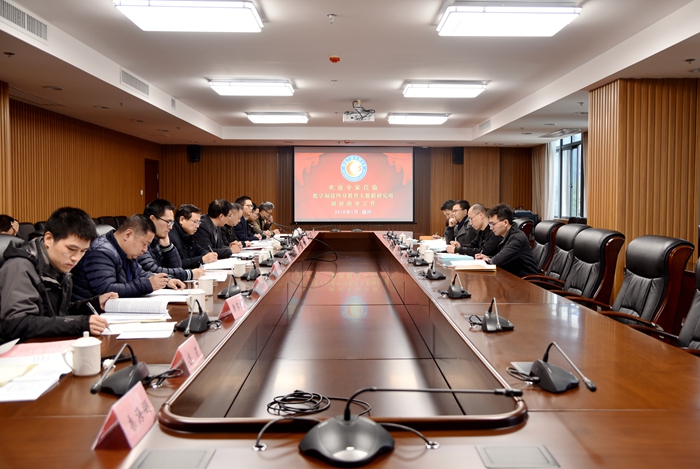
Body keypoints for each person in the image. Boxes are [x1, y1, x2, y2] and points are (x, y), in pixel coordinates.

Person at [0, 207, 115, 341]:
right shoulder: (19, 267)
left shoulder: (59, 267)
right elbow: (16, 324)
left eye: (83, 251)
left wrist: (94, 303)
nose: (76, 258)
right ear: (48, 239)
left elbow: (58, 314)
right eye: (71, 249)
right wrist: (79, 324)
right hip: (19, 349)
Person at [72, 214, 180, 299]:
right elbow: (107, 290)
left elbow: (140, 274)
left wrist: (165, 281)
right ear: (128, 235)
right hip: (90, 314)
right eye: (144, 244)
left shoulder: (127, 252)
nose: (145, 249)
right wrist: (147, 285)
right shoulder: (101, 252)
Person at [138, 199, 201, 283]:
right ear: (152, 219)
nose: (170, 227)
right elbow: (152, 270)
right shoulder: (139, 239)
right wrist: (187, 274)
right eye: (168, 222)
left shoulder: (158, 240)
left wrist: (168, 247)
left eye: (172, 223)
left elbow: (176, 267)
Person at [476, 203, 539, 277]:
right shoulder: (507, 235)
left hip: (527, 281)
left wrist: (489, 259)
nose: (491, 228)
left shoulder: (517, 238)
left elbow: (497, 261)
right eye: (490, 224)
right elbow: (502, 257)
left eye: (493, 224)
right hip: (514, 277)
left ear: (505, 223)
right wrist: (488, 258)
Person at [169, 204, 219, 269]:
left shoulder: (187, 233)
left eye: (198, 222)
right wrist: (201, 259)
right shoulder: (171, 236)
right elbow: (177, 264)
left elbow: (198, 249)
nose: (197, 226)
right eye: (195, 222)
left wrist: (208, 254)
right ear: (182, 220)